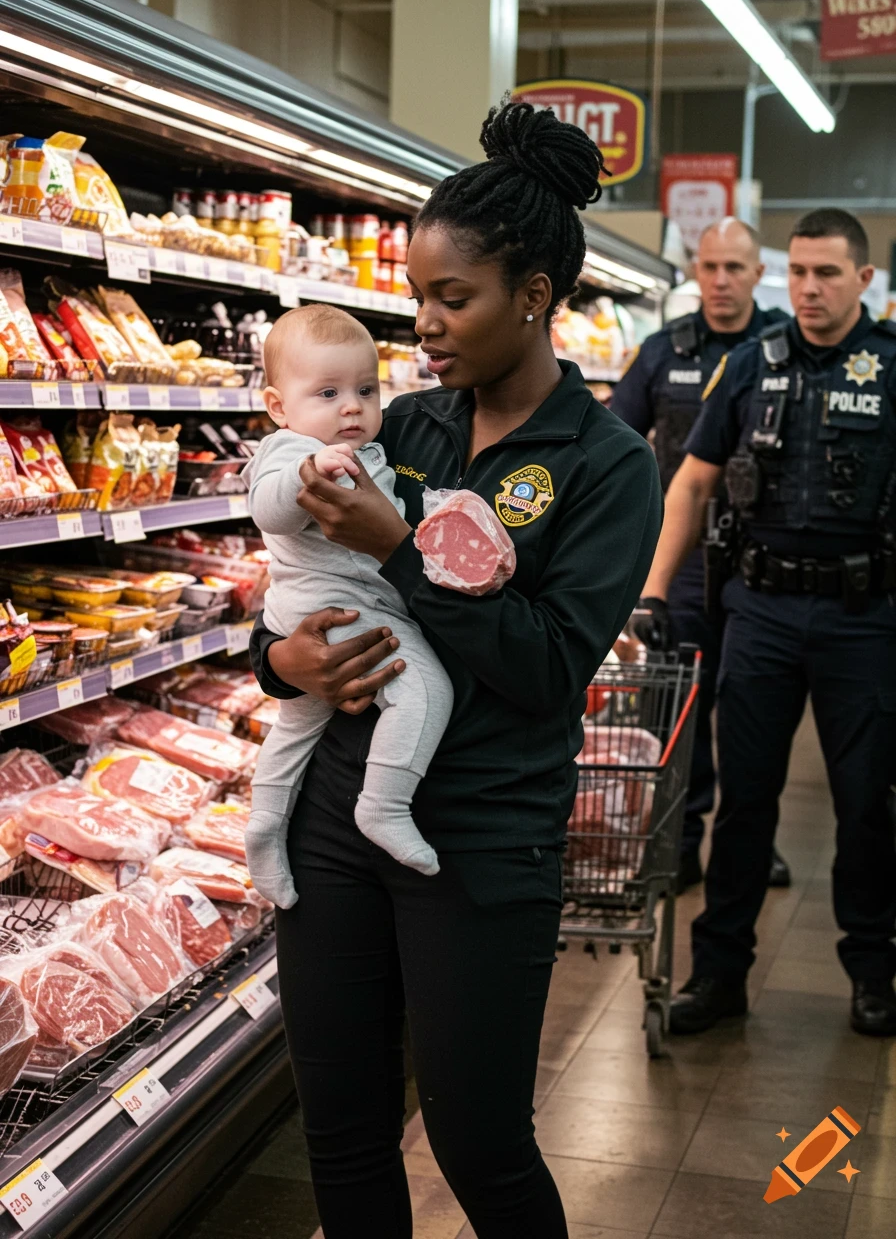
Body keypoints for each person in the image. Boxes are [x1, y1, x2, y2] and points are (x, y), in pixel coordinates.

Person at [247, 100, 662, 1238]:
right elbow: (291, 582)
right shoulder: (402, 427)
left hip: (483, 833)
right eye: (419, 297)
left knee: (479, 1139)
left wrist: (399, 545)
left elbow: (545, 662)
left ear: (532, 295)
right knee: (340, 1125)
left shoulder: (606, 465)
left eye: (452, 298)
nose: (422, 324)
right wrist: (280, 659)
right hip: (336, 815)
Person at [637, 208, 896, 1037]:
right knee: (745, 801)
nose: (810, 289)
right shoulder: (752, 365)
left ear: (865, 280)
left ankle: (874, 970)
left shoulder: (892, 369)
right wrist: (652, 588)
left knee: (867, 803)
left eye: (828, 274)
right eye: (800, 273)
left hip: (866, 618)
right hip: (761, 613)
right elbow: (690, 483)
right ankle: (718, 977)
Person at [244, 304, 454, 906]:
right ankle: (384, 805)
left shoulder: (372, 449)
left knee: (295, 732)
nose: (352, 407)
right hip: (340, 613)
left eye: (366, 389)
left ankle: (263, 825)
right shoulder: (291, 450)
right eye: (329, 392)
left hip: (327, 614)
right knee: (425, 690)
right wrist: (306, 474)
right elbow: (268, 509)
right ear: (279, 407)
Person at [611, 217, 791, 892]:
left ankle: (750, 846)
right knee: (678, 712)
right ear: (696, 269)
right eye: (709, 266)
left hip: (753, 565)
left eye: (734, 268)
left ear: (756, 273)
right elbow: (614, 439)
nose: (720, 280)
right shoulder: (664, 349)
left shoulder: (784, 349)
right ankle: (679, 845)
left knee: (752, 719)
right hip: (680, 563)